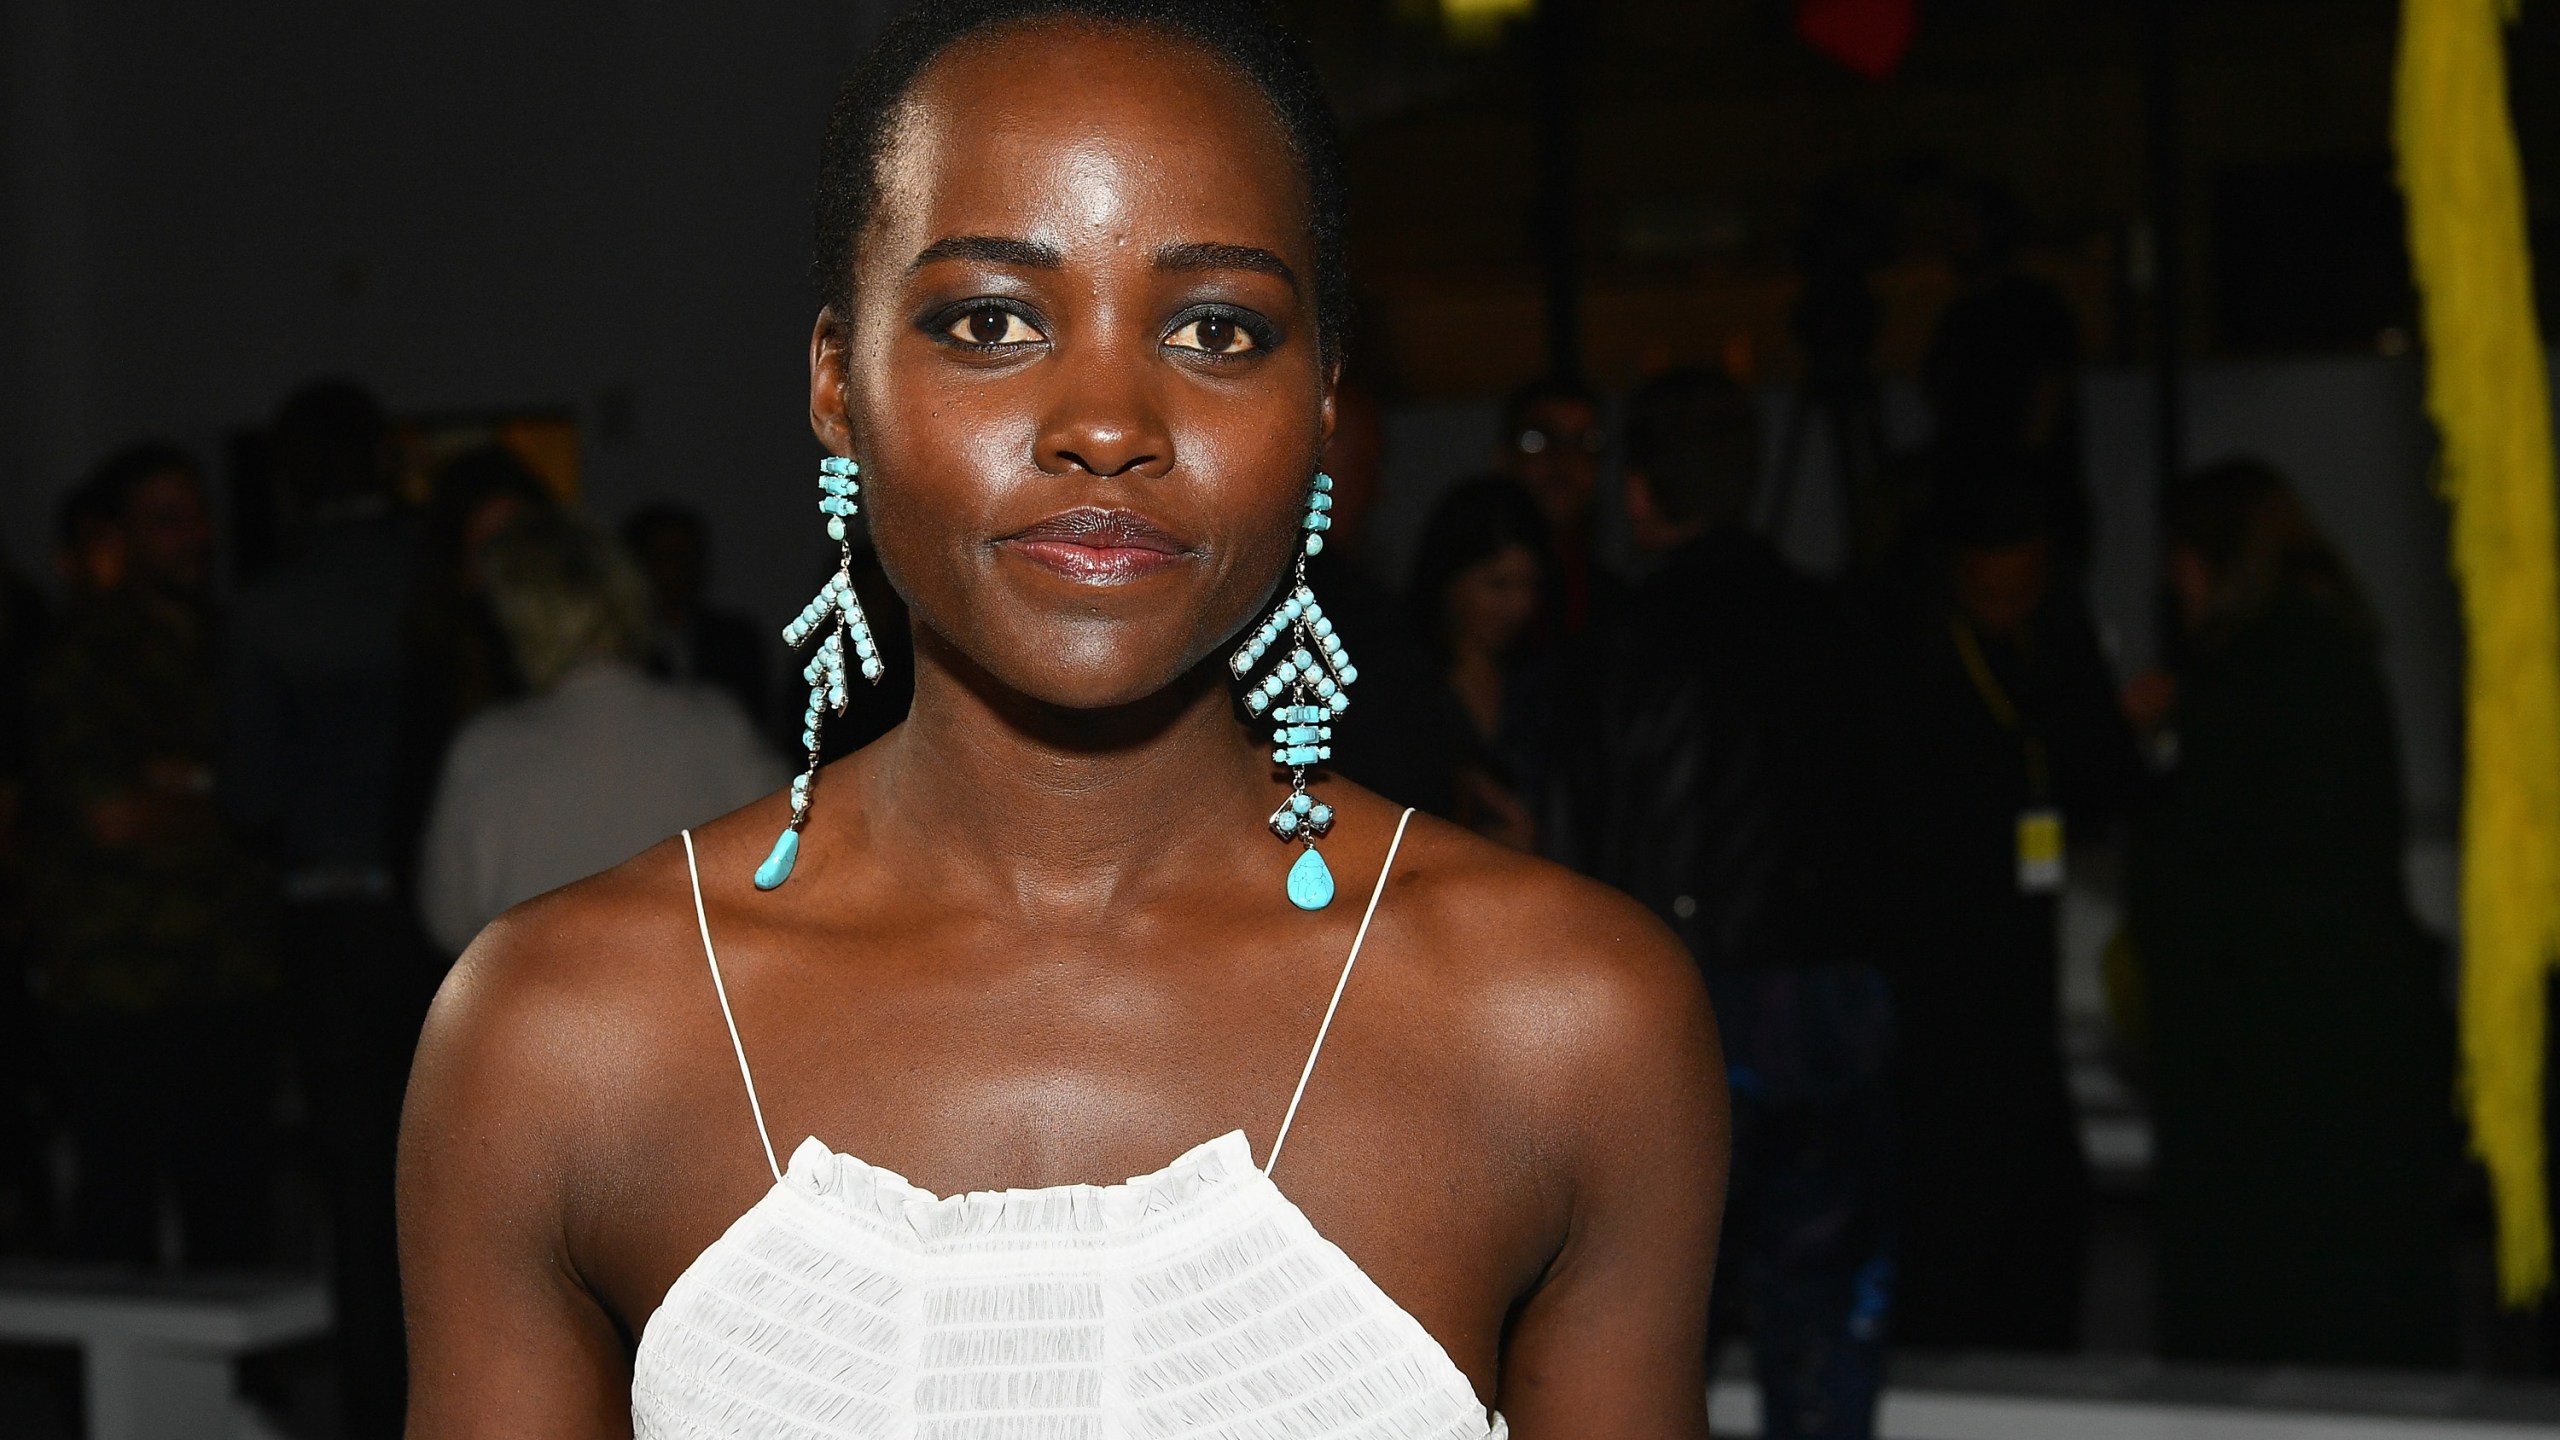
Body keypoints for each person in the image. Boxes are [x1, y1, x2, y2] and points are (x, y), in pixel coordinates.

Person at [397, 3, 1726, 1434]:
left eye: (1218, 328)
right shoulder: (557, 1035)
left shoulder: (1574, 1027)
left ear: (1327, 404)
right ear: (838, 386)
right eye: (992, 321)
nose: (1106, 420)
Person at [1557, 366, 1892, 1438]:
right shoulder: (1841, 626)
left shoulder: (1620, 646)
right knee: (1825, 1331)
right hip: (1839, 1005)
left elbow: (1590, 856)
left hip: (1692, 1019)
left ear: (1642, 493)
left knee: (1643, 1340)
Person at [2126, 458, 2456, 1365]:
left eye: (2180, 559)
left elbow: (2204, 861)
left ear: (2208, 562)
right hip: (2348, 1050)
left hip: (2266, 1061)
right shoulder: (2326, 653)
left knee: (2268, 1315)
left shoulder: (2246, 678)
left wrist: (2151, 750)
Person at [1871, 456, 2144, 1350]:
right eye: (1988, 591)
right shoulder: (1903, 653)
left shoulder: (2054, 635)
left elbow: (2101, 782)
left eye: (2024, 588)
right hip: (1932, 984)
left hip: (2021, 974)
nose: (2007, 606)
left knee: (2039, 1200)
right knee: (1953, 1200)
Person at [224, 379, 436, 1433]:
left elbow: (251, 796)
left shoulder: (269, 608)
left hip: (332, 916)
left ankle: (374, 1412)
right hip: (452, 912)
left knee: (361, 1191)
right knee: (470, 1177)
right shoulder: (436, 582)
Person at [27, 445, 279, 1267]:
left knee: (233, 1209)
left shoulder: (237, 642)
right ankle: (103, 1397)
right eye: (166, 520)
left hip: (232, 972)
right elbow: (115, 817)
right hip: (117, 985)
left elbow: (279, 794)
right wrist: (221, 796)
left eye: (198, 515)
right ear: (119, 538)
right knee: (117, 1211)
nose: (193, 537)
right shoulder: (83, 657)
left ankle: (235, 1399)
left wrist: (192, 788)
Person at [415, 512, 784, 955]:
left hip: (544, 1013)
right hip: (694, 1006)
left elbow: (448, 920)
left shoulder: (484, 748)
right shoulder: (716, 724)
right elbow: (790, 865)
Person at [1303, 377, 1455, 816]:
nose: (1379, 490)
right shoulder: (1366, 617)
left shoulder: (1231, 594)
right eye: (1370, 465)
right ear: (1321, 465)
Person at [1409, 475, 1554, 850]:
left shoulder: (1545, 682)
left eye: (1530, 586)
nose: (1519, 606)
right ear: (1450, 577)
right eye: (1499, 584)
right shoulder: (1402, 683)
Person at [623, 503, 772, 731]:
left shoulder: (735, 642)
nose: (681, 568)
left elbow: (759, 724)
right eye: (667, 556)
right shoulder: (622, 646)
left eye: (689, 555)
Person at [1499, 373, 1622, 640]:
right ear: (1503, 458)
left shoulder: (1616, 605)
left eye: (1586, 442)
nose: (1564, 460)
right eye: (1538, 440)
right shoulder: (1460, 599)